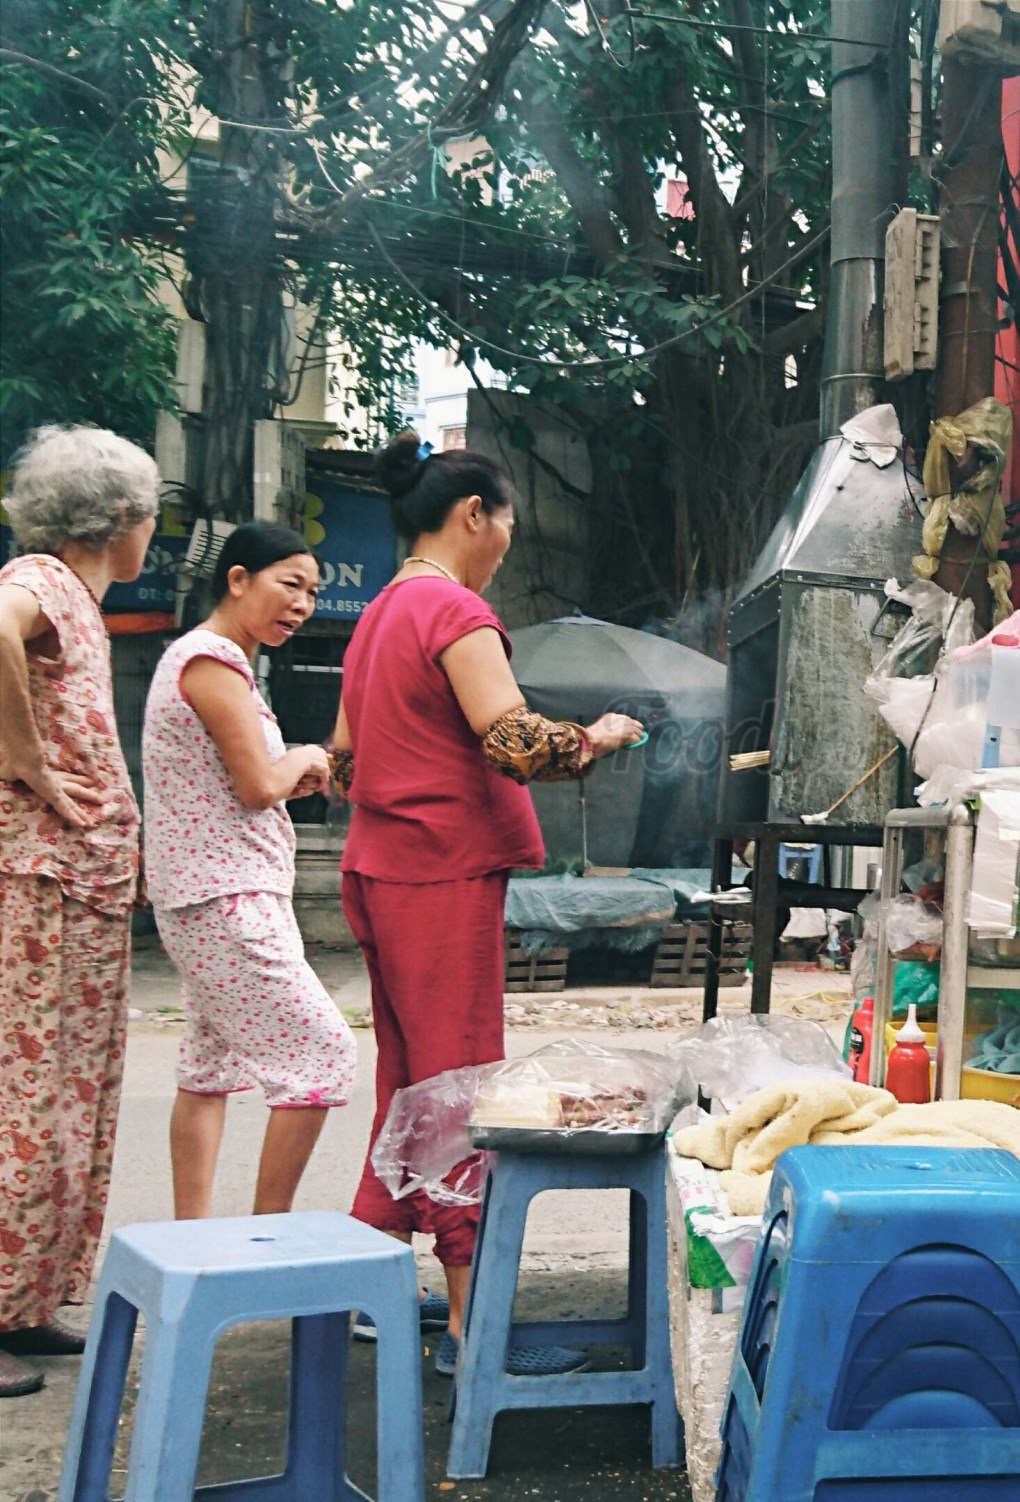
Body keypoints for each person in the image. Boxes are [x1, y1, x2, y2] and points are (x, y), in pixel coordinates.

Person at [330, 433, 640, 1376]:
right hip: (440, 872)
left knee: (409, 1081)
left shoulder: (378, 614)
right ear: (474, 515)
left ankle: (374, 1284)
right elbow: (513, 741)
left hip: (379, 868)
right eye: (506, 523)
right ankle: (472, 1328)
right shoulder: (452, 609)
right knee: (461, 1087)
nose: (507, 543)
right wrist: (595, 737)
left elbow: (342, 760)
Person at [0, 425, 159, 1399]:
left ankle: (22, 1299)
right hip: (43, 880)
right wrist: (22, 754)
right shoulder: (44, 581)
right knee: (23, 1098)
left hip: (82, 885)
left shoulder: (79, 603)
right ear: (119, 518)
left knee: (68, 1100)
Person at [142, 522, 356, 1222]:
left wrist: (288, 771)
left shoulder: (209, 660)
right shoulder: (212, 660)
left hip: (214, 892)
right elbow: (259, 786)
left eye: (312, 593)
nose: (302, 605)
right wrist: (304, 758)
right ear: (238, 579)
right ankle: (268, 1235)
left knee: (209, 1070)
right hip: (226, 896)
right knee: (323, 1056)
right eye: (289, 584)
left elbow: (238, 782)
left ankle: (193, 1236)